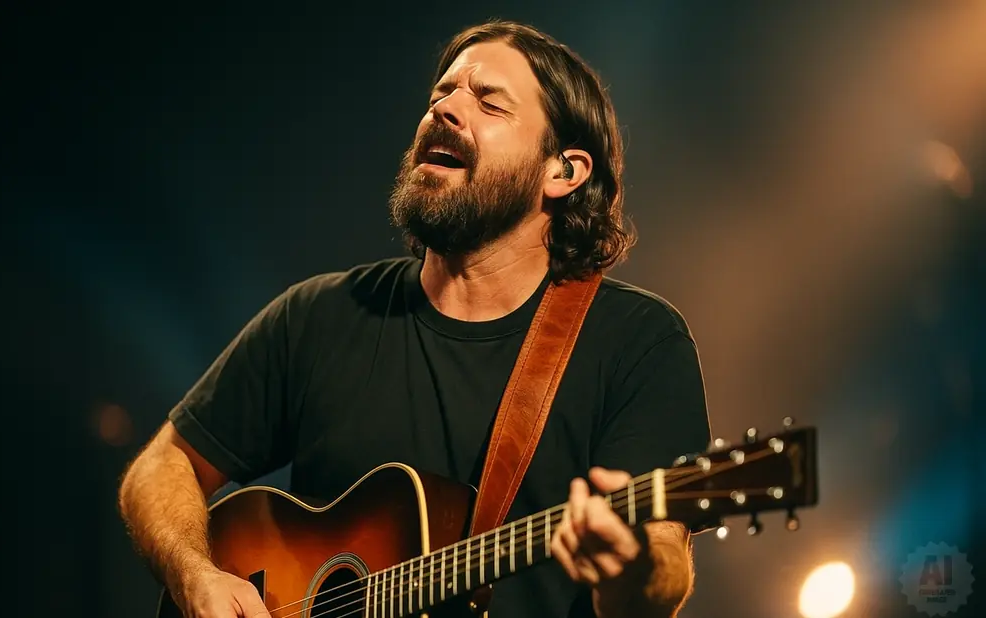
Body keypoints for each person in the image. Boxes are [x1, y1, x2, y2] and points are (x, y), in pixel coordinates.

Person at [118, 19, 712, 618]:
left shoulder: (637, 343)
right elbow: (161, 465)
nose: (447, 110)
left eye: (489, 103)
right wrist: (195, 577)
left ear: (563, 171)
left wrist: (631, 565)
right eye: (442, 94)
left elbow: (660, 573)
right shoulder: (321, 315)